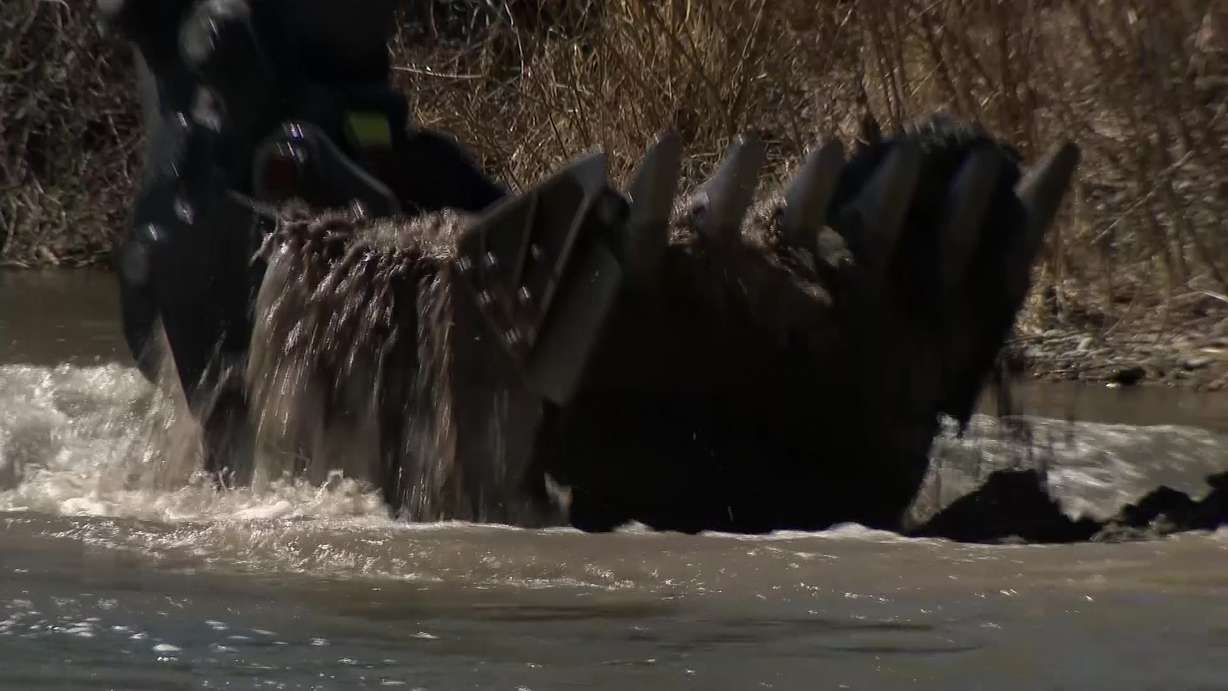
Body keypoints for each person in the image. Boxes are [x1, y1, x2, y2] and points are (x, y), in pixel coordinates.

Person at [101, 0, 506, 481]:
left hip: (344, 178)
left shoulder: (355, 100)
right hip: (248, 237)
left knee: (428, 170)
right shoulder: (215, 71)